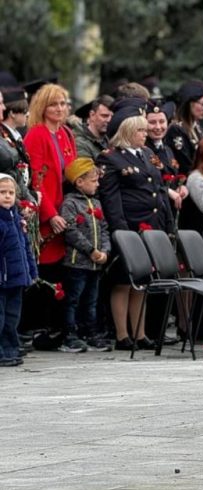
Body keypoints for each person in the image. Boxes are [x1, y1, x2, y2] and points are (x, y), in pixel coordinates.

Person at [97, 101, 175, 351]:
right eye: (141, 130)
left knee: (142, 280)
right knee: (123, 282)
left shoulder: (146, 155)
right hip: (129, 227)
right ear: (129, 130)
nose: (146, 134)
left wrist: (166, 225)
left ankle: (140, 333)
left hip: (150, 226)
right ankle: (122, 334)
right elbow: (111, 199)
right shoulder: (111, 158)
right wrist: (121, 231)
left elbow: (159, 192)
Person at [24, 83, 79, 349]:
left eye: (63, 103)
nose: (60, 108)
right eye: (54, 104)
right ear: (42, 108)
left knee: (63, 272)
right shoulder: (36, 135)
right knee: (46, 271)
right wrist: (51, 214)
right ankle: (40, 330)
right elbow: (36, 180)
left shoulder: (66, 133)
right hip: (48, 216)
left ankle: (60, 329)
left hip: (66, 210)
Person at [59, 158, 112, 351]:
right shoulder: (70, 203)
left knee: (91, 300)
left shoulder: (96, 202)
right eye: (94, 180)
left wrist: (105, 251)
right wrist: (91, 250)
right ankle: (69, 334)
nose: (98, 184)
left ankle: (90, 332)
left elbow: (104, 228)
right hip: (77, 263)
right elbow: (71, 231)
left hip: (95, 263)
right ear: (79, 181)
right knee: (73, 299)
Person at [0, 173, 37, 367]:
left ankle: (10, 348)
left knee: (12, 317)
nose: (7, 196)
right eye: (2, 192)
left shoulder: (16, 218)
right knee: (1, 316)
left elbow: (25, 248)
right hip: (2, 278)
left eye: (11, 193)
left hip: (16, 278)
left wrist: (31, 272)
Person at [164, 80, 203, 174]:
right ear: (189, 103)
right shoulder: (176, 130)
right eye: (202, 104)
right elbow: (186, 164)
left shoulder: (198, 127)